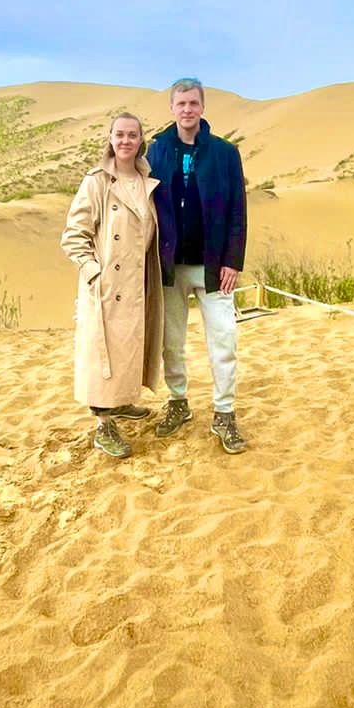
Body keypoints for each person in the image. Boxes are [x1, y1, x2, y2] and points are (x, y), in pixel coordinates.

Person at [147, 78, 248, 454]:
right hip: (170, 265)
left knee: (223, 340)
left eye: (193, 103)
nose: (187, 110)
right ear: (172, 108)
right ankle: (178, 401)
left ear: (202, 107)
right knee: (171, 342)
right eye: (181, 104)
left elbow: (237, 209)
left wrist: (232, 261)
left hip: (213, 266)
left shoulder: (224, 153)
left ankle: (224, 412)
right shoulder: (157, 150)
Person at [60, 111, 168, 459]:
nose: (125, 141)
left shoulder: (146, 180)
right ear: (110, 139)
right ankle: (103, 426)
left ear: (141, 140)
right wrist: (94, 272)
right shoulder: (96, 182)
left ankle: (121, 402)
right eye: (119, 134)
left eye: (132, 135)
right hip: (107, 286)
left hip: (137, 283)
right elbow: (73, 235)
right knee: (103, 353)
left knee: (128, 347)